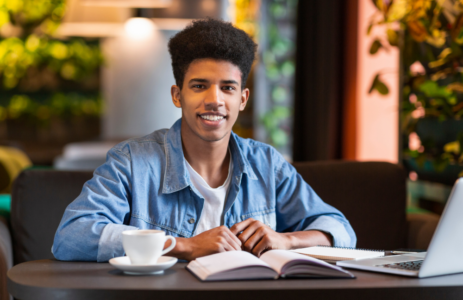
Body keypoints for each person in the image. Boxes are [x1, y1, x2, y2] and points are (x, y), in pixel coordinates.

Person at [52, 18, 356, 262]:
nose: (214, 100)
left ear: (243, 99)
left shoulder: (267, 164)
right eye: (199, 86)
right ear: (177, 95)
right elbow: (72, 236)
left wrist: (285, 239)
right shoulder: (131, 161)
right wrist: (182, 246)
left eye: (227, 88)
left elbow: (340, 230)